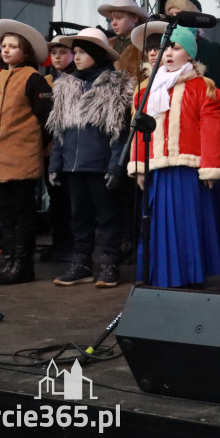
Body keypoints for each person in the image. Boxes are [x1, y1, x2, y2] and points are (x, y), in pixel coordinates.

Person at [129, 25, 220, 288]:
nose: (168, 53)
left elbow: (211, 130)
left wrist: (210, 167)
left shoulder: (202, 87)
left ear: (190, 54)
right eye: (165, 48)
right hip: (157, 169)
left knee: (186, 223)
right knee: (158, 223)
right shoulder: (146, 90)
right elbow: (139, 132)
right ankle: (160, 274)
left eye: (176, 48)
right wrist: (138, 165)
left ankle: (188, 275)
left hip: (187, 169)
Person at [48, 28, 133, 288]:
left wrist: (116, 166)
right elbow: (59, 129)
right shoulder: (66, 86)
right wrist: (55, 163)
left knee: (107, 216)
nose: (76, 57)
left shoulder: (115, 86)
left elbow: (119, 132)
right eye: (75, 52)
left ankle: (109, 262)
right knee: (79, 217)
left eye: (83, 52)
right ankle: (81, 262)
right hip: (73, 166)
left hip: (100, 164)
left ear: (97, 54)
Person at [0, 20, 53, 285]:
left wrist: (37, 146)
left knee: (22, 214)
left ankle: (22, 266)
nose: (6, 50)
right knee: (6, 215)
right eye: (4, 45)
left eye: (13, 46)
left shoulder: (33, 79)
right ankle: (11, 263)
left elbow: (48, 119)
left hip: (22, 159)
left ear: (25, 52)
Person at [40, 38, 76, 263]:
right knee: (56, 200)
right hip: (50, 149)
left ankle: (72, 247)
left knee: (69, 200)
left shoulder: (77, 81)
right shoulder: (47, 82)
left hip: (70, 149)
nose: (57, 56)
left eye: (63, 52)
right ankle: (59, 244)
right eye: (54, 52)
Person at [98, 0, 150, 84]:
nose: (114, 23)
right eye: (111, 19)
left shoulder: (144, 45)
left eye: (119, 18)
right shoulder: (107, 45)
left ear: (135, 18)